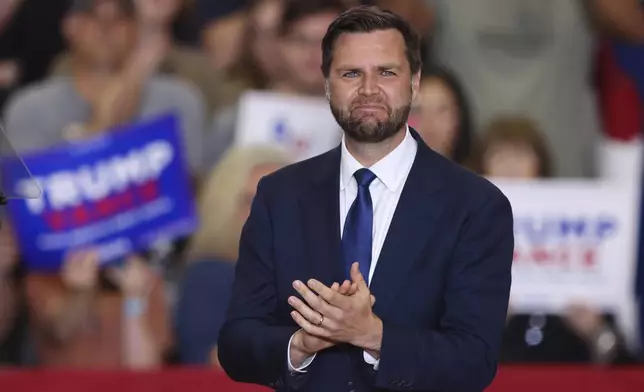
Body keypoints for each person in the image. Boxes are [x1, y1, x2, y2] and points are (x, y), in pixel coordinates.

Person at [217, 6, 514, 392]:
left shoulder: (476, 207)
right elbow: (236, 343)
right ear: (327, 85)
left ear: (415, 82)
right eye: (351, 73)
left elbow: (475, 360)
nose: (369, 89)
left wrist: (374, 336)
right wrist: (300, 345)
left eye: (386, 72)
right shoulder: (280, 196)